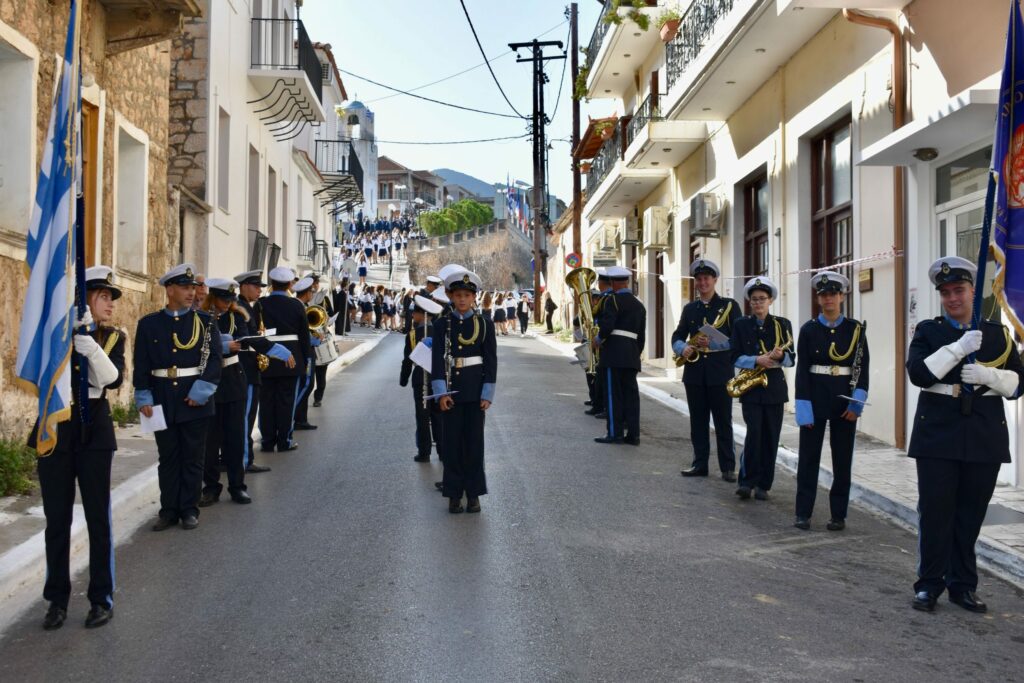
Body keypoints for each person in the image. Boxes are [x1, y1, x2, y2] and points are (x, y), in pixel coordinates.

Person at [905, 256, 1022, 613]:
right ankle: (929, 584)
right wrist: (958, 349)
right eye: (946, 293)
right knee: (936, 513)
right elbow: (920, 375)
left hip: (983, 434)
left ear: (974, 291)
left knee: (970, 515)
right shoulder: (928, 331)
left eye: (959, 290)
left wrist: (989, 376)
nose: (953, 298)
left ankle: (962, 585)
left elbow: (1018, 385)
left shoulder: (998, 334)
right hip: (938, 433)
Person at [34, 266, 125, 630]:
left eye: (111, 299)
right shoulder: (53, 335)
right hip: (57, 428)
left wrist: (89, 347)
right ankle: (56, 600)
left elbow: (112, 379)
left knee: (97, 518)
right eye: (103, 297)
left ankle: (101, 597)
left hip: (94, 431)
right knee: (57, 521)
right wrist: (67, 338)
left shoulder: (113, 337)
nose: (110, 305)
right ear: (83, 298)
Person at [134, 263, 221, 531]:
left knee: (193, 456)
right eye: (185, 288)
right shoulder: (149, 324)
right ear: (169, 289)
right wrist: (144, 397)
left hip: (193, 397)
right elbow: (142, 363)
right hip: (161, 397)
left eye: (193, 288)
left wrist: (201, 392)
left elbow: (214, 361)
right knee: (168, 457)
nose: (191, 293)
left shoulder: (205, 323)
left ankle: (189, 509)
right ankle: (169, 509)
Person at [793, 271, 870, 531]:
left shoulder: (856, 330)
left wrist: (857, 402)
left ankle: (838, 514)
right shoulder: (809, 330)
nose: (829, 299)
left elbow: (863, 369)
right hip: (815, 397)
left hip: (843, 399)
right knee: (808, 459)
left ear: (842, 296)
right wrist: (803, 408)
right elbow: (803, 370)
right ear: (819, 299)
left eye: (833, 294)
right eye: (824, 295)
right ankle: (803, 512)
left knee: (842, 460)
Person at [432, 268, 497, 513]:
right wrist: (441, 393)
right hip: (451, 392)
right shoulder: (442, 325)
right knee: (451, 446)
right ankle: (453, 493)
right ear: (450, 295)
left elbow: (491, 361)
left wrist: (487, 394)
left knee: (474, 445)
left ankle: (474, 494)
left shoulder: (484, 324)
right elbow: (437, 361)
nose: (462, 300)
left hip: (474, 391)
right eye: (457, 295)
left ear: (474, 298)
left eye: (466, 296)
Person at [673, 259, 741, 482]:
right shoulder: (690, 308)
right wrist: (683, 348)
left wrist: (713, 345)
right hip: (694, 373)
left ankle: (728, 467)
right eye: (699, 279)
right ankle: (699, 463)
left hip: (720, 372)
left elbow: (739, 340)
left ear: (715, 280)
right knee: (698, 422)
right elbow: (677, 335)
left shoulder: (729, 306)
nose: (703, 282)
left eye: (706, 279)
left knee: (723, 421)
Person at [730, 277, 794, 501]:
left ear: (771, 300)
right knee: (754, 434)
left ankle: (764, 485)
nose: (758, 303)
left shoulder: (783, 324)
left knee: (771, 436)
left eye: (762, 299)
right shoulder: (741, 325)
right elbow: (734, 355)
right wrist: (756, 360)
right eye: (754, 300)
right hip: (751, 387)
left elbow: (792, 358)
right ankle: (747, 481)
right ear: (749, 302)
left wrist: (781, 356)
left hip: (775, 387)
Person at [199, 279, 254, 507]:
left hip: (232, 378)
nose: (227, 304)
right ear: (213, 297)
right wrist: (221, 346)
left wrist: (225, 345)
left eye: (230, 300)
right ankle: (211, 487)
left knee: (234, 437)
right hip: (210, 382)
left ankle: (237, 486)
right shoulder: (201, 318)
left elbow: (241, 341)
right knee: (210, 441)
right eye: (223, 299)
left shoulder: (237, 317)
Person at [234, 270, 293, 474]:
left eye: (261, 286)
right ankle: (244, 460)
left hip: (250, 368)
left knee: (248, 417)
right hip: (246, 370)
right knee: (245, 418)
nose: (260, 290)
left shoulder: (247, 307)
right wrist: (278, 351)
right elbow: (246, 339)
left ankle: (244, 457)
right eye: (255, 286)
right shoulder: (240, 309)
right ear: (243, 286)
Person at [255, 267, 312, 452]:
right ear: (289, 284)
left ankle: (267, 441)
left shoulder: (261, 303)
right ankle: (284, 440)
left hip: (266, 357)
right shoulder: (296, 305)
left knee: (266, 402)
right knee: (286, 402)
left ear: (271, 284)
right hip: (292, 358)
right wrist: (306, 359)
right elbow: (304, 335)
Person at [592, 266, 645, 445]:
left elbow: (607, 327)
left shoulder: (612, 300)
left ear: (613, 283)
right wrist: (635, 353)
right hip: (631, 354)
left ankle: (614, 433)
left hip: (613, 353)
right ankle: (633, 435)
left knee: (614, 395)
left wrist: (598, 340)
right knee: (631, 396)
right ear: (627, 282)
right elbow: (642, 336)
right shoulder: (639, 304)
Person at [401, 294, 444, 463]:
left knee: (422, 416)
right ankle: (442, 451)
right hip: (439, 379)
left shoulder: (412, 335)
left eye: (415, 313)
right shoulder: (441, 332)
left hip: (420, 379)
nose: (412, 315)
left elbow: (407, 360)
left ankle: (424, 452)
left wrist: (403, 379)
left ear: (423, 314)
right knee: (439, 416)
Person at [292, 276, 322, 431]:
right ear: (307, 292)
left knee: (307, 385)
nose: (312, 293)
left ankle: (301, 418)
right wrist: (316, 340)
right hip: (305, 352)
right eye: (311, 291)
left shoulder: (303, 306)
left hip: (306, 351)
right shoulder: (300, 308)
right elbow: (302, 334)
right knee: (306, 385)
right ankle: (295, 418)